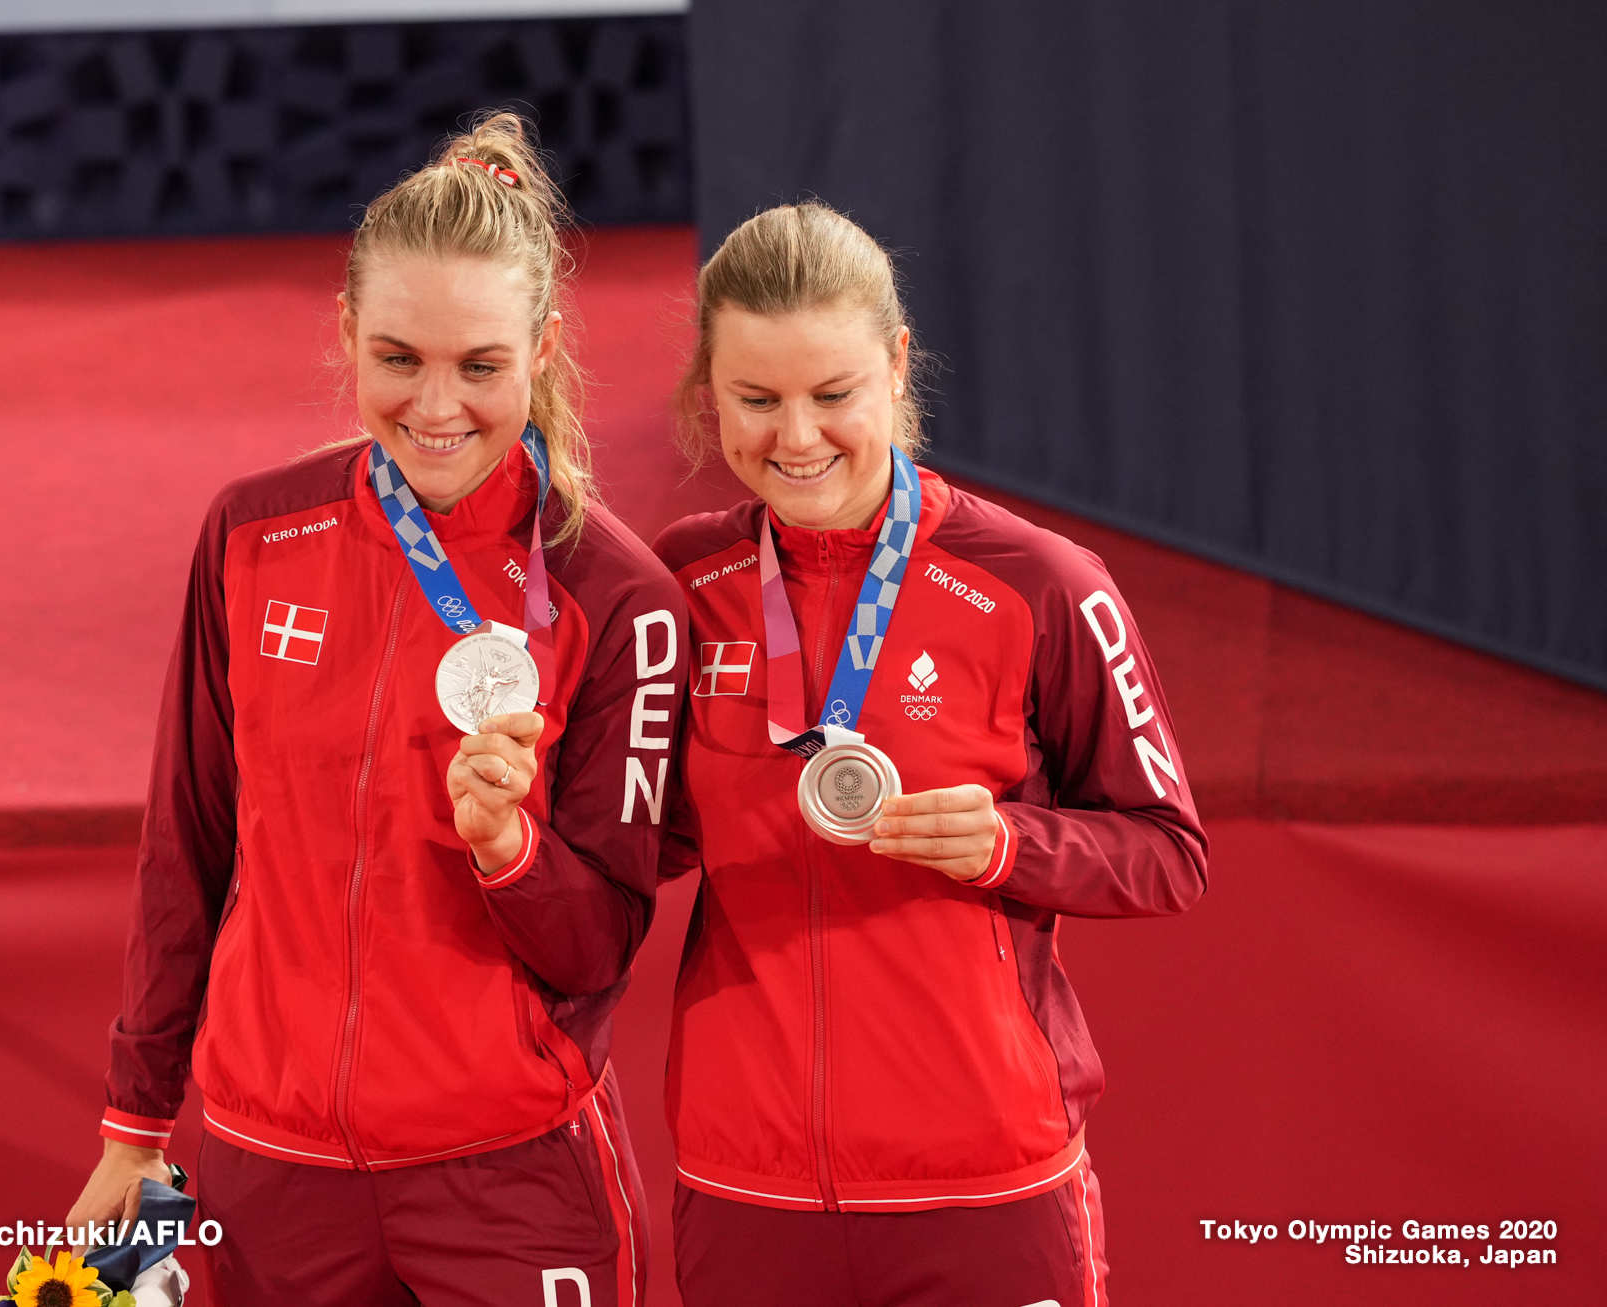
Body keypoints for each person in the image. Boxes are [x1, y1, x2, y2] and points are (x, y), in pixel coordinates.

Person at [64, 114, 687, 1307]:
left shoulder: (617, 599)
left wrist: (509, 854)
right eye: (398, 357)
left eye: (480, 365)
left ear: (542, 348)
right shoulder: (251, 534)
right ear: (346, 333)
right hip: (266, 1162)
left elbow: (601, 944)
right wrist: (135, 1121)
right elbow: (187, 840)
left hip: (506, 1178)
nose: (436, 406)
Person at [653, 202, 1208, 1307]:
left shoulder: (1042, 584)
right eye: (755, 400)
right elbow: (642, 831)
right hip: (743, 1177)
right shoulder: (681, 584)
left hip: (983, 1179)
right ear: (708, 386)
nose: (796, 437)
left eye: (833, 394)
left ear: (897, 364)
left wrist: (1008, 841)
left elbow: (1168, 854)